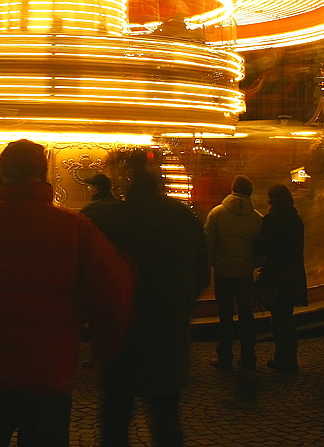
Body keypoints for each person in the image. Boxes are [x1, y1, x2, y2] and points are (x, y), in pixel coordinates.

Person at [0, 139, 134, 447]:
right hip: (49, 373)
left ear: (0, 173)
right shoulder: (75, 228)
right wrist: (103, 351)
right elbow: (115, 294)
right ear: (43, 174)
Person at [84, 151, 209, 447]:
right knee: (166, 416)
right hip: (168, 330)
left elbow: (98, 274)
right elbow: (202, 274)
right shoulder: (183, 217)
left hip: (124, 330)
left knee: (115, 417)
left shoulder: (112, 218)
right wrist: (180, 305)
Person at [204, 174, 263, 371]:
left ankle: (225, 356)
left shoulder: (217, 214)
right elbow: (260, 248)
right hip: (245, 274)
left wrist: (211, 264)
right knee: (247, 315)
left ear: (232, 189)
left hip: (223, 272)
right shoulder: (257, 219)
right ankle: (248, 356)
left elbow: (209, 244)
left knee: (225, 315)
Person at [255, 183, 307, 373]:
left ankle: (283, 360)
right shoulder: (296, 219)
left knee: (279, 318)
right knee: (286, 316)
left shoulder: (272, 219)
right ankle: (289, 357)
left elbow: (264, 246)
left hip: (277, 275)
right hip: (293, 273)